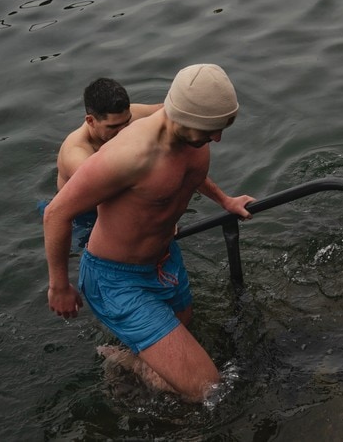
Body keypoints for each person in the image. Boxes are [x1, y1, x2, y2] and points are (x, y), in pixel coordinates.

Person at [44, 64, 255, 402]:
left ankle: (135, 363)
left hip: (165, 259)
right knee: (209, 390)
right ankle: (126, 360)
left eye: (222, 127)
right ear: (181, 116)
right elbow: (56, 213)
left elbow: (189, 175)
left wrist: (225, 201)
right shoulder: (128, 156)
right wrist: (59, 285)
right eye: (210, 129)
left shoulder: (193, 132)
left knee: (184, 329)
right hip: (116, 279)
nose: (216, 138)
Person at [40, 77, 162, 251]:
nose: (124, 131)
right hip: (83, 217)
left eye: (127, 122)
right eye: (113, 127)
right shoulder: (77, 154)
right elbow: (116, 197)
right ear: (90, 121)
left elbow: (170, 113)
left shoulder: (126, 117)